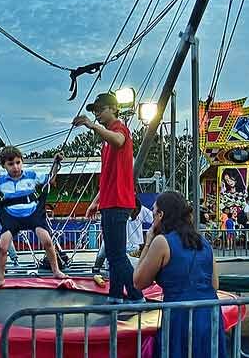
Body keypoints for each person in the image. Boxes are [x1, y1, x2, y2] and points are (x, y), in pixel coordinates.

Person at [133, 191, 227, 357]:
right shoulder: (203, 242)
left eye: (154, 213)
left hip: (180, 316)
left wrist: (148, 243)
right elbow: (214, 285)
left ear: (161, 215)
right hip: (210, 314)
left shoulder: (162, 242)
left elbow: (138, 281)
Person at [74, 92, 144, 304]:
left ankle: (135, 294)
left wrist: (92, 125)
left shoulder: (119, 129)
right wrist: (96, 201)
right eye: (95, 111)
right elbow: (108, 177)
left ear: (114, 109)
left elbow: (119, 140)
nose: (97, 114)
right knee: (113, 255)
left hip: (117, 202)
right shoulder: (106, 141)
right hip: (110, 201)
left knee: (117, 254)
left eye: (100, 109)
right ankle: (115, 295)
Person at [0, 146, 67, 292]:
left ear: (22, 162)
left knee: (47, 241)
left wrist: (56, 163)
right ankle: (0, 278)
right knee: (2, 247)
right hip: (12, 217)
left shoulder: (31, 175)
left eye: (18, 162)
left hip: (33, 214)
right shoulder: (1, 181)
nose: (15, 167)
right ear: (4, 166)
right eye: (10, 164)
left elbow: (50, 179)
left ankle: (56, 271)